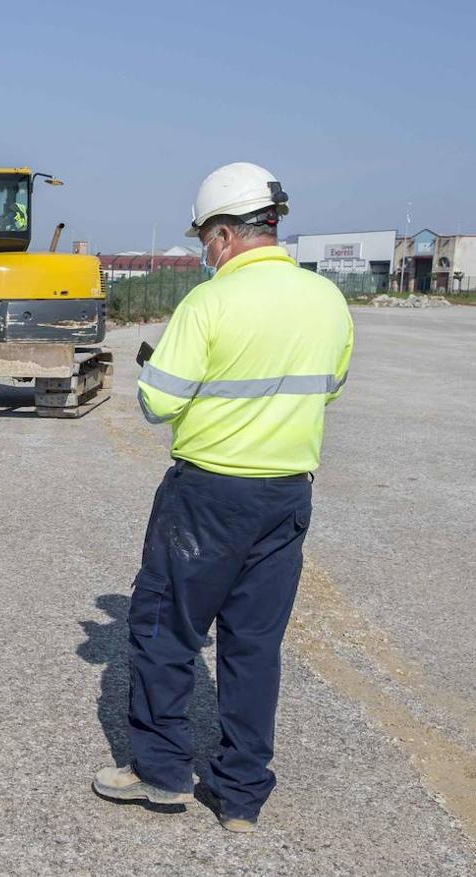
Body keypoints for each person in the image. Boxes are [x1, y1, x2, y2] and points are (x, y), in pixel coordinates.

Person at [92, 163, 354, 833]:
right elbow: (328, 385)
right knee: (253, 646)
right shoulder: (326, 299)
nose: (203, 251)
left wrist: (160, 372)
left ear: (229, 234)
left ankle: (161, 773)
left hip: (208, 495)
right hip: (286, 495)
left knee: (165, 630)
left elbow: (158, 403)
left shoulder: (209, 304)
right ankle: (240, 796)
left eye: (205, 238)